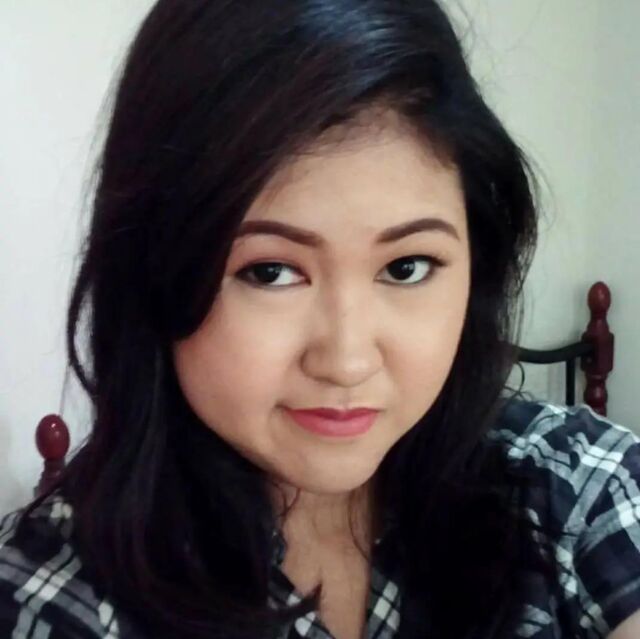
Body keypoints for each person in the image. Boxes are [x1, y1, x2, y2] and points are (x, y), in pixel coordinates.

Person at [1, 1, 639, 638]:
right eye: (269, 271)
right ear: (151, 268)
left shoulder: (572, 488)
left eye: (407, 267)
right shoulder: (54, 599)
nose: (347, 361)